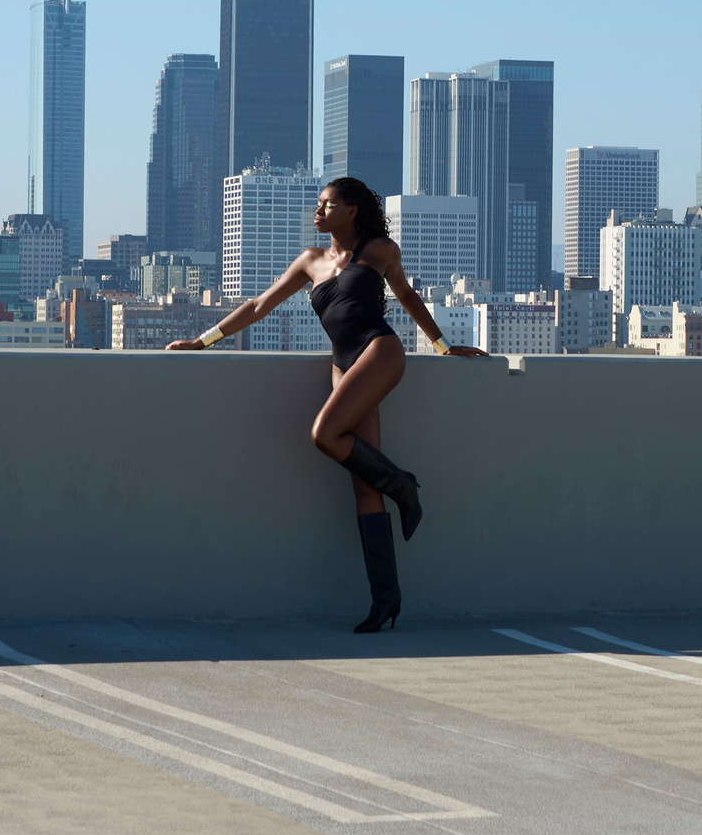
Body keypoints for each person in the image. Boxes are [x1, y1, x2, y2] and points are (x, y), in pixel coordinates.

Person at [168, 176, 484, 631]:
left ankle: (404, 486)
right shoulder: (310, 261)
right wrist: (202, 341)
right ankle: (386, 602)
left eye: (327, 204)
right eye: (318, 205)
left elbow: (407, 295)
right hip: (343, 366)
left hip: (379, 352)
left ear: (351, 209)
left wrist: (442, 346)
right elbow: (259, 305)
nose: (317, 212)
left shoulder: (380, 250)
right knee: (363, 486)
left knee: (324, 434)